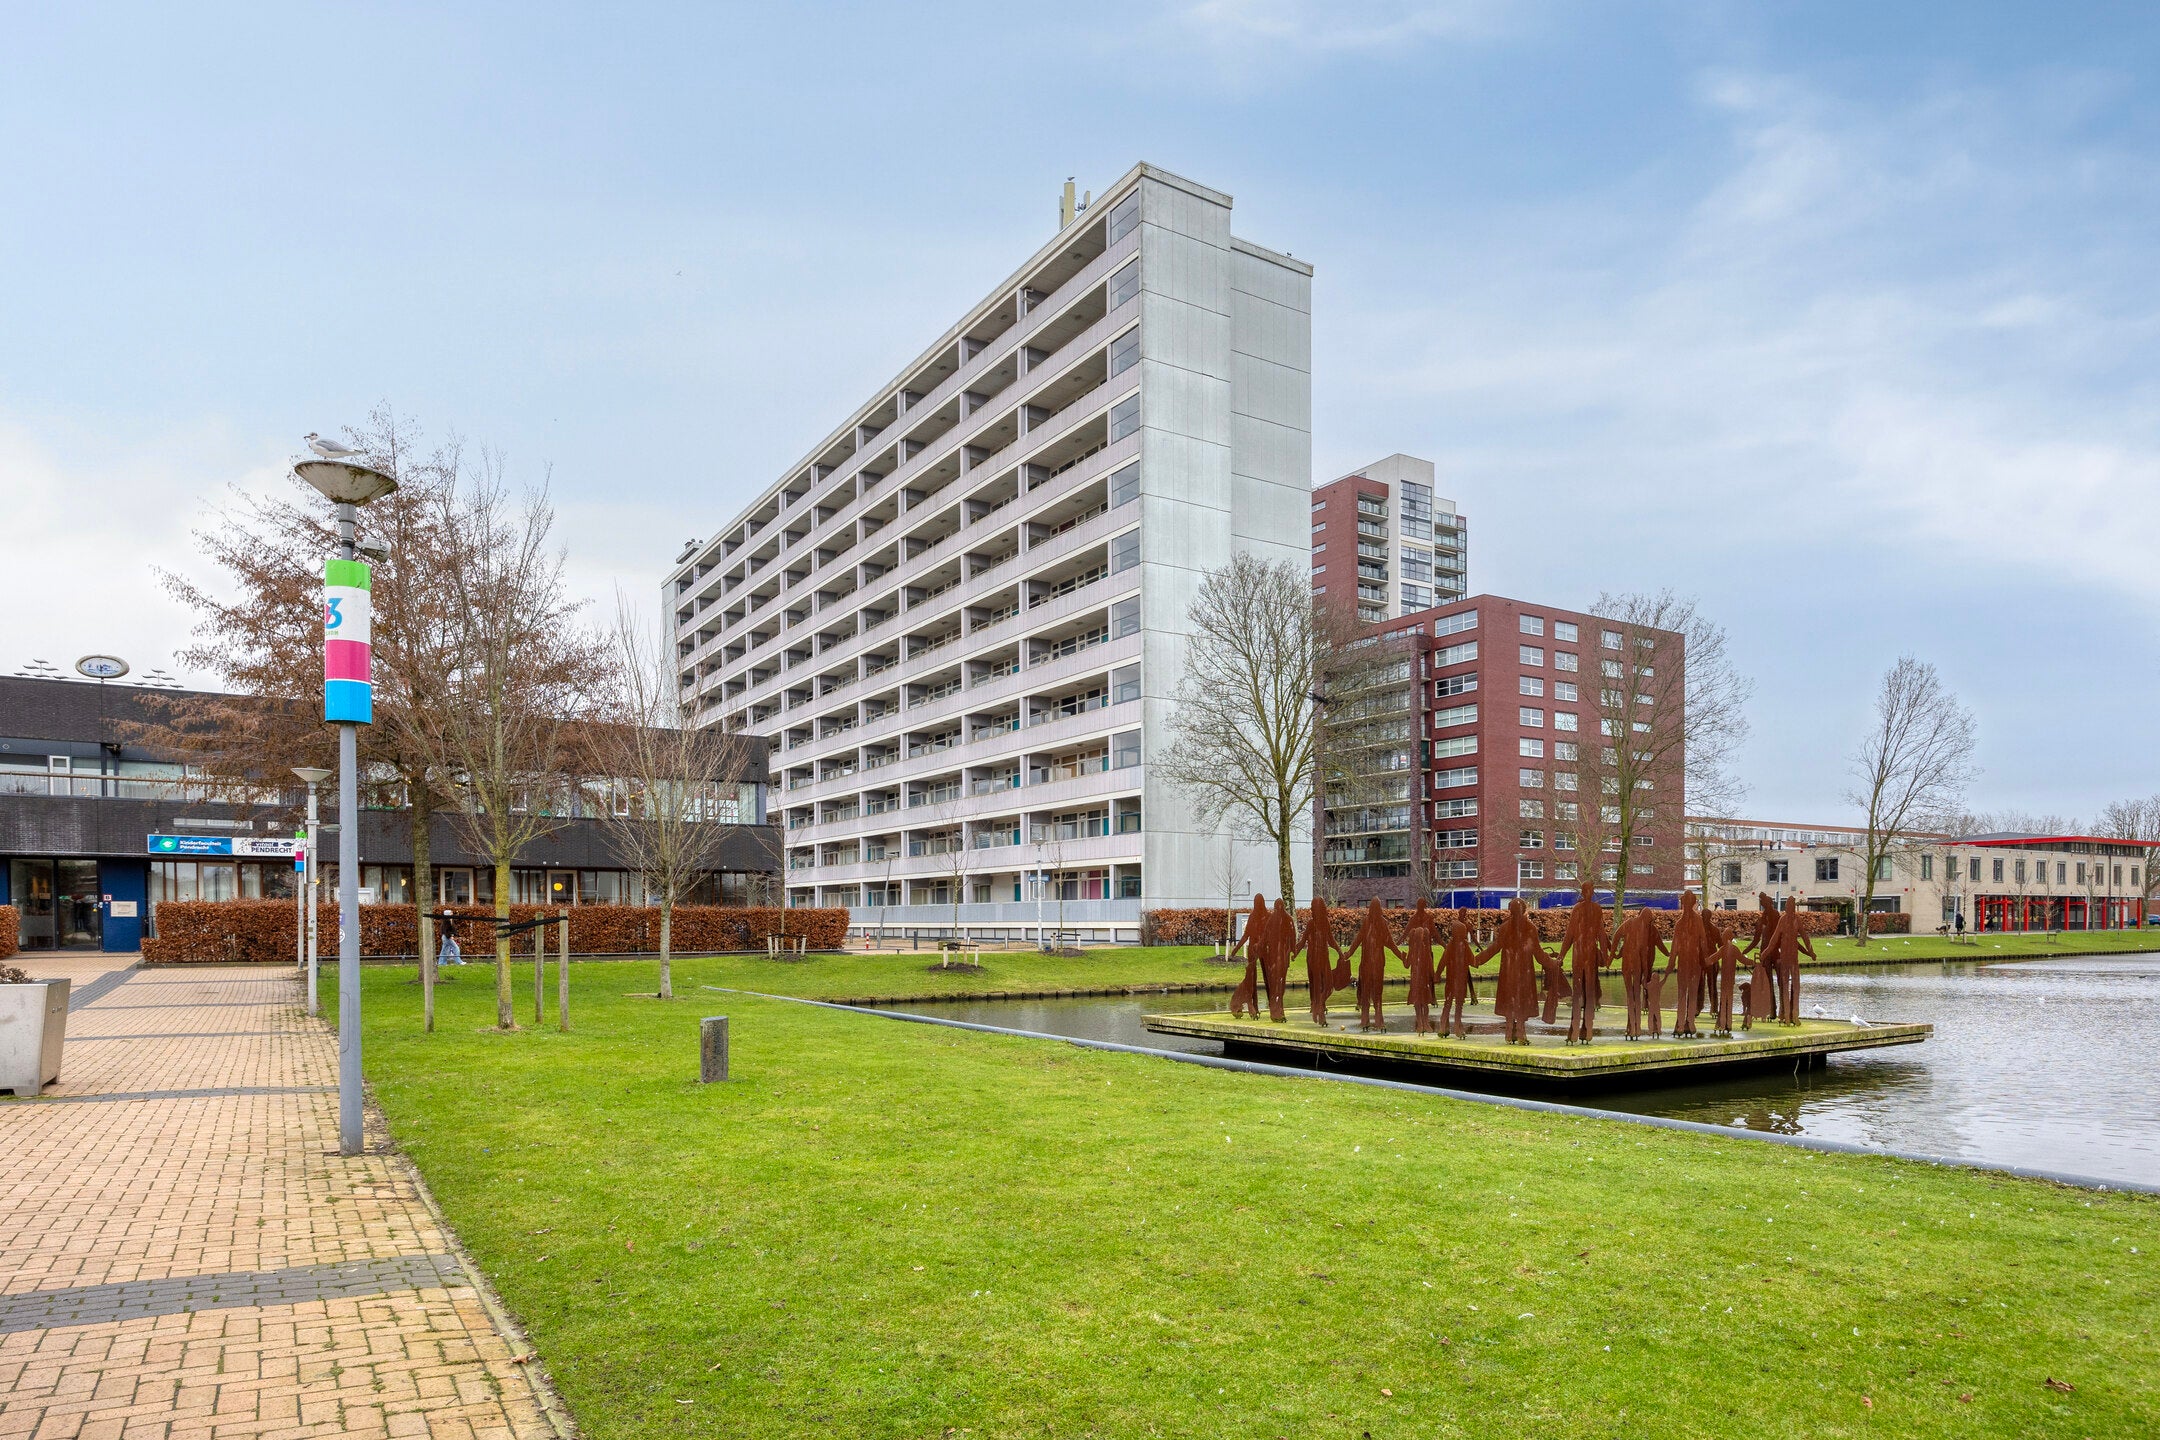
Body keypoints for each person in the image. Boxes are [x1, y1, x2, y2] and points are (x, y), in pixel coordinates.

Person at [1554, 883, 1607, 1045]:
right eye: (1587, 891)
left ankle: (1581, 1029)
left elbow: (1600, 934)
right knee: (1582, 992)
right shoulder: (1587, 909)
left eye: (1590, 891)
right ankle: (1580, 1029)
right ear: (1584, 892)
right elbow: (1572, 933)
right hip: (1583, 954)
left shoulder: (1591, 909)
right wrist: (1561, 955)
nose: (1589, 893)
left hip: (1585, 954)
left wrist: (1606, 955)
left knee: (1585, 992)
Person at [1614, 905, 1668, 1040]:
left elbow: (1660, 945)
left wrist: (1669, 954)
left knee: (1641, 994)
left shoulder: (1650, 930)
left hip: (1644, 965)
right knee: (1637, 993)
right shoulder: (1640, 928)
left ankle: (1640, 1024)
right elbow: (1629, 946)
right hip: (1639, 965)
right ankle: (1636, 1025)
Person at [1351, 898, 1401, 1032]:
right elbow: (1359, 939)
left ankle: (1374, 1021)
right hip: (1369, 963)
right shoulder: (1368, 922)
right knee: (1369, 992)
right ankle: (1370, 1020)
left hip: (1375, 963)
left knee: (1374, 992)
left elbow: (1389, 942)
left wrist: (1400, 955)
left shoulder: (1379, 923)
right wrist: (1349, 953)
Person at [1667, 892, 1712, 1039]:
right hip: (1692, 962)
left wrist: (1671, 963)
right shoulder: (1696, 921)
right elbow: (1702, 942)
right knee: (1690, 993)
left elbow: (1675, 947)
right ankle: (1688, 1023)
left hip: (1687, 962)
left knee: (1684, 993)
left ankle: (1682, 1023)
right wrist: (1706, 959)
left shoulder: (1681, 923)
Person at [1401, 899, 1439, 1036]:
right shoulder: (1417, 951)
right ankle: (1421, 1022)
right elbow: (1405, 933)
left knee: (1424, 1002)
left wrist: (1433, 976)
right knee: (1420, 1002)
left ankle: (1425, 1022)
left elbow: (1409, 965)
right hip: (1417, 979)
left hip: (1422, 979)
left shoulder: (1422, 951)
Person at [1438, 909, 1478, 1039]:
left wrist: (1438, 973)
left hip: (1457, 979)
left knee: (1454, 1003)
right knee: (1453, 1003)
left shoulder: (1458, 945)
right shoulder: (1457, 945)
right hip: (1455, 979)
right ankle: (1448, 1026)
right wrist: (1437, 973)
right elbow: (1444, 961)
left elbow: (1471, 960)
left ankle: (1452, 1025)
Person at [1228, 895, 1269, 1019]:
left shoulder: (1265, 917)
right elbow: (1247, 935)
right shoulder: (1256, 917)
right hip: (1256, 950)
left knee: (1263, 978)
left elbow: (1267, 935)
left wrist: (1236, 949)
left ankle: (1264, 1006)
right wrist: (1236, 949)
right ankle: (1254, 1006)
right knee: (1252, 978)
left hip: (1261, 950)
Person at [1302, 896, 1342, 1025]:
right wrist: (1294, 952)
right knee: (1317, 984)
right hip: (1313, 958)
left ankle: (1318, 1005)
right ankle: (1318, 1010)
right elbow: (1303, 940)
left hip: (1324, 958)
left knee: (1328, 985)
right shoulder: (1311, 924)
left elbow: (1330, 940)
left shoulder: (1325, 922)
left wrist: (1339, 951)